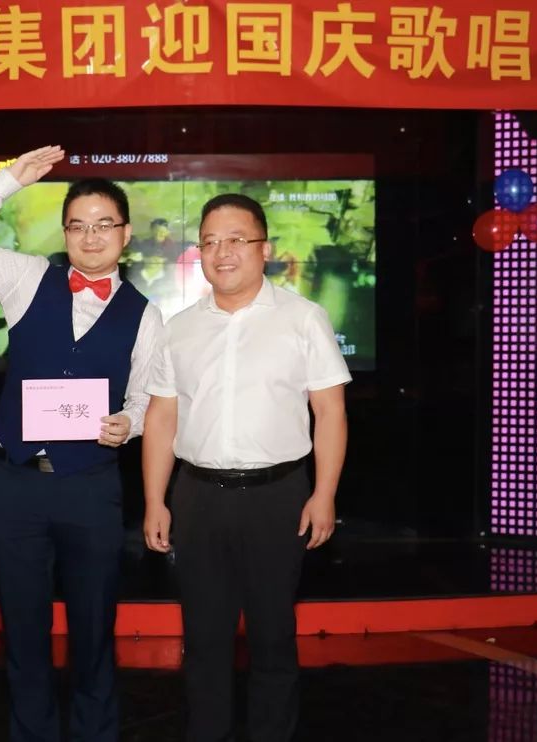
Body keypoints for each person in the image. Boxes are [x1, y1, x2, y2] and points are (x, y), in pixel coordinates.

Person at [0, 145, 162, 742]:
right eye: (78, 225)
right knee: (23, 634)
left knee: (94, 631)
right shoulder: (28, 278)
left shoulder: (146, 314)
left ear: (125, 233)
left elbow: (146, 397)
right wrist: (7, 181)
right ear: (65, 233)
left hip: (90, 488)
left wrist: (129, 423)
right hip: (14, 484)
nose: (91, 236)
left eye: (104, 224)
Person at [141, 193, 350, 742]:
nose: (221, 252)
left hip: (278, 497)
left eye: (235, 239)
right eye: (209, 242)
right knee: (203, 639)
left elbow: (329, 411)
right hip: (197, 496)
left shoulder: (303, 319)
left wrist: (324, 493)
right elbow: (162, 417)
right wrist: (155, 500)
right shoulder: (179, 327)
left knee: (273, 637)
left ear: (265, 249)